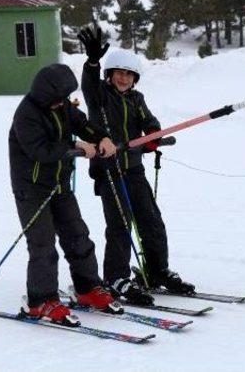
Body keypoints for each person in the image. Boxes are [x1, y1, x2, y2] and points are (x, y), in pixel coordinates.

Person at [77, 26, 195, 306]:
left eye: (129, 74)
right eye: (118, 72)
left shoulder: (136, 99)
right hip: (109, 169)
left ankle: (156, 270)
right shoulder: (100, 95)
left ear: (135, 79)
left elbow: (150, 124)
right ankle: (116, 277)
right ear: (110, 75)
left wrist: (153, 138)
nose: (123, 78)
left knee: (151, 219)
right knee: (119, 223)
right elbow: (89, 84)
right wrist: (92, 63)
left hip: (133, 168)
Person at [8, 63, 121, 324]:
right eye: (60, 99)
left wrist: (101, 137)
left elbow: (83, 124)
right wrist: (75, 147)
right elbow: (40, 151)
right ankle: (40, 300)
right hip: (32, 188)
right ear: (47, 95)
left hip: (60, 184)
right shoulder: (26, 114)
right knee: (43, 244)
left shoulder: (62, 106)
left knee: (77, 235)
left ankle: (87, 289)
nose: (65, 103)